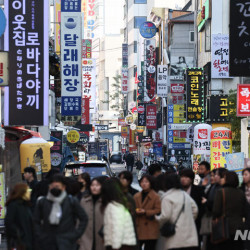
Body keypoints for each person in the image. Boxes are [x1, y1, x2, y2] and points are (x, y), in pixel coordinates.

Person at [34, 174, 88, 250]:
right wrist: (40, 235)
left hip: (66, 243)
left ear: (63, 187)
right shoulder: (42, 202)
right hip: (47, 243)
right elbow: (36, 221)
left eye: (57, 186)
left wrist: (75, 234)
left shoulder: (71, 201)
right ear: (49, 187)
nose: (54, 188)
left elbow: (84, 218)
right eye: (52, 186)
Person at [156, 174, 199, 250]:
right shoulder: (185, 195)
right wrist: (188, 220)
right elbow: (195, 209)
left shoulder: (167, 198)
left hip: (175, 238)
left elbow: (165, 216)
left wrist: (156, 219)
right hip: (190, 237)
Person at [213, 171, 245, 250]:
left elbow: (216, 211)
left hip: (225, 228)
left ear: (227, 179)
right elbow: (244, 210)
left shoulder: (221, 192)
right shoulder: (241, 192)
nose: (222, 179)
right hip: (240, 227)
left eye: (223, 177)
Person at [101, 178, 137, 250]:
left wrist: (115, 246)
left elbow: (118, 229)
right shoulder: (120, 203)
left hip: (120, 244)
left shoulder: (114, 206)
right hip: (125, 243)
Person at [134, 175, 161, 250]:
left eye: (146, 182)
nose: (144, 184)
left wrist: (146, 212)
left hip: (151, 228)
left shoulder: (156, 197)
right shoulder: (136, 196)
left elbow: (158, 210)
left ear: (150, 183)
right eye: (142, 182)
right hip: (139, 227)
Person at [5, 183, 34, 250]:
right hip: (19, 243)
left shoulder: (26, 206)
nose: (29, 192)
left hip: (27, 242)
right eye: (28, 190)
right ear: (22, 192)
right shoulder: (14, 205)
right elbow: (9, 222)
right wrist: (20, 234)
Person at [79, 177, 105, 250]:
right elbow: (79, 219)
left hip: (102, 239)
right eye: (92, 185)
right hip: (85, 238)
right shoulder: (84, 201)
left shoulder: (105, 201)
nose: (94, 187)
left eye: (97, 185)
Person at [180, 168, 204, 244]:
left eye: (186, 177)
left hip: (195, 224)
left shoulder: (199, 190)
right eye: (182, 177)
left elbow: (201, 208)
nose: (184, 179)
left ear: (191, 179)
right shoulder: (176, 191)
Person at [241, 168, 250, 250]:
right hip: (245, 221)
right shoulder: (241, 190)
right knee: (246, 243)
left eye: (246, 174)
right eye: (243, 175)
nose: (244, 177)